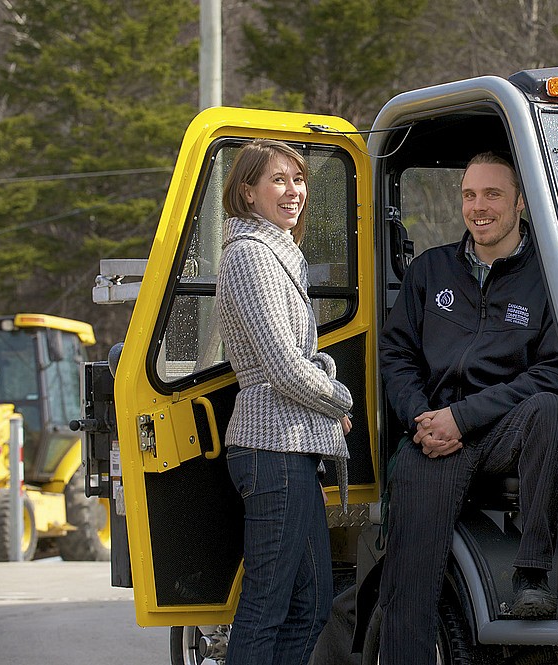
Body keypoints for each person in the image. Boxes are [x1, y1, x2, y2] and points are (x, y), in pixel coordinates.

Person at [377, 151, 558, 662]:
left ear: (521, 202)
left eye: (492, 194)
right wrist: (421, 418)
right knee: (407, 582)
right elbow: (396, 354)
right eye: (469, 195)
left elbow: (552, 371)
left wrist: (464, 417)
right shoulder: (430, 270)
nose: (478, 207)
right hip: (432, 433)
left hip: (502, 429)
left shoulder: (550, 276)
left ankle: (532, 575)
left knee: (549, 409)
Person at [216, 139, 353, 665]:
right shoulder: (251, 255)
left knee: (312, 604)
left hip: (292, 448)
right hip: (271, 448)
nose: (294, 191)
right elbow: (282, 366)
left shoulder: (278, 254)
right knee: (266, 606)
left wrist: (322, 398)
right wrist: (338, 400)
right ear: (247, 192)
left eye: (298, 180)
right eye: (278, 179)